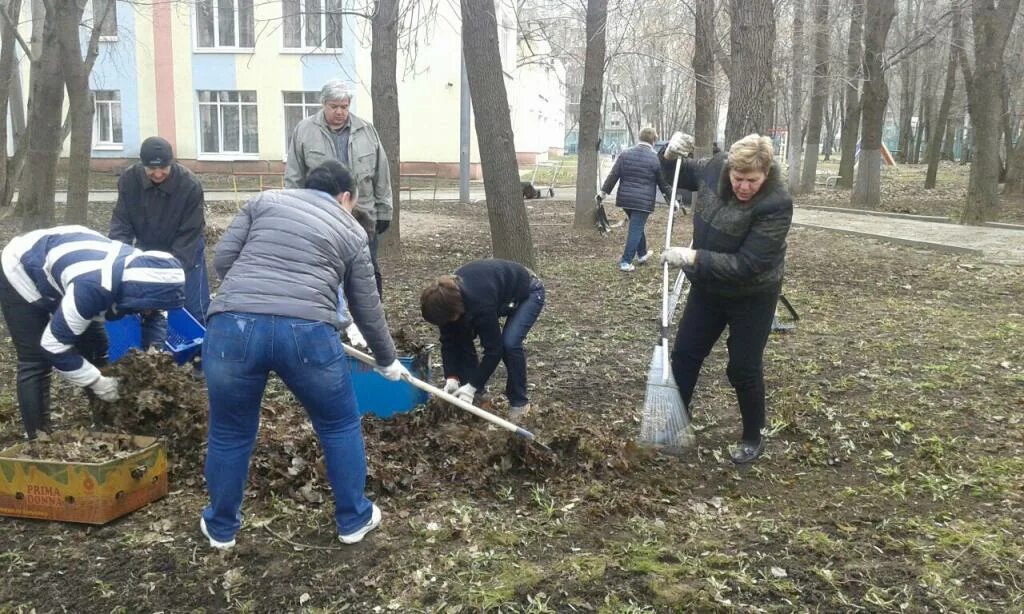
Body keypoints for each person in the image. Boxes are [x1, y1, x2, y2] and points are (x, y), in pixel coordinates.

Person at [200, 160, 409, 550]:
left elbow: (223, 260)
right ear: (346, 197)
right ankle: (353, 519)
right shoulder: (351, 229)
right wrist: (386, 359)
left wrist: (252, 297)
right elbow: (367, 306)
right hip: (308, 334)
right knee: (338, 424)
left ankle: (221, 529)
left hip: (232, 328)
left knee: (229, 430)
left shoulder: (263, 202)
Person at [659, 133, 793, 464]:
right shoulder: (713, 168)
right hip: (708, 288)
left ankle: (752, 436)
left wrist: (693, 259)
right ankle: (677, 422)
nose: (744, 186)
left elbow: (748, 265)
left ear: (766, 173)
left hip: (753, 294)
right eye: (738, 178)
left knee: (743, 366)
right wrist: (667, 153)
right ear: (729, 168)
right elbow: (676, 171)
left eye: (753, 180)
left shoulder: (776, 204)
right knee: (686, 354)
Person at [0, 225, 185, 439]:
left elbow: (155, 316)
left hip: (71, 271)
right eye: (148, 305)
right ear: (136, 293)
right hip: (23, 268)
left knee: (96, 347)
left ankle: (107, 425)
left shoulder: (154, 275)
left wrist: (154, 352)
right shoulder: (93, 288)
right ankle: (38, 439)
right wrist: (97, 382)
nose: (149, 310)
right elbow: (54, 347)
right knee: (35, 359)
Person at [285, 80, 393, 298]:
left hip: (362, 217)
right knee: (326, 271)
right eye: (334, 106)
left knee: (367, 271)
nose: (340, 112)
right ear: (323, 104)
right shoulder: (304, 131)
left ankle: (371, 318)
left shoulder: (366, 130)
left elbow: (381, 173)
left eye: (344, 106)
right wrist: (294, 212)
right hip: (320, 217)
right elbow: (294, 177)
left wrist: (384, 211)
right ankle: (332, 318)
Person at [109, 136, 210, 352]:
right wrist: (119, 264)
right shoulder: (129, 181)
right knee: (143, 304)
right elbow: (121, 225)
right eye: (151, 168)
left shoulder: (189, 185)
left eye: (163, 167)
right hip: (148, 248)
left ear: (172, 163)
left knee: (191, 306)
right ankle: (152, 353)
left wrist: (169, 276)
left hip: (186, 250)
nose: (157, 173)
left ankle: (199, 357)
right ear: (141, 164)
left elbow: (189, 234)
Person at [420, 259, 545, 420]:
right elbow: (448, 341)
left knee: (509, 344)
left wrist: (472, 386)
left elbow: (494, 350)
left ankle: (519, 403)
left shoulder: (479, 303)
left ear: (455, 310)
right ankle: (478, 398)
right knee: (460, 336)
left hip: (528, 291)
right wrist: (451, 376)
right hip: (497, 294)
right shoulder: (444, 301)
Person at [596, 127, 671, 272]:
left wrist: (603, 193)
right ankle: (626, 262)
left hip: (626, 200)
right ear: (654, 141)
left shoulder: (625, 154)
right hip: (643, 202)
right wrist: (671, 199)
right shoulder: (655, 158)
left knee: (637, 225)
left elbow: (613, 175)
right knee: (635, 228)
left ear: (640, 138)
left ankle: (642, 254)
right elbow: (663, 183)